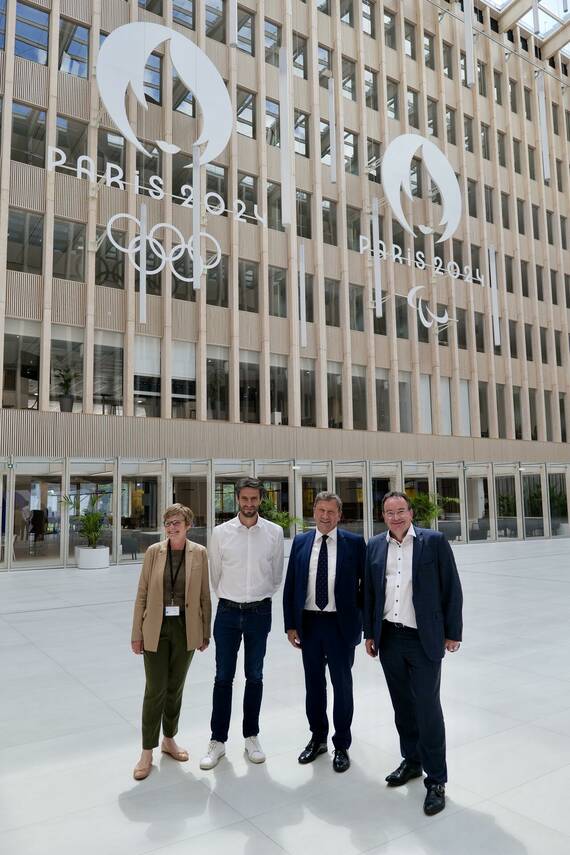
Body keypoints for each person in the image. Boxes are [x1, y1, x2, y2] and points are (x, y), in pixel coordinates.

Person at [364, 491, 463, 816]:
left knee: (428, 708)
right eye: (389, 512)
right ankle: (412, 760)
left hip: (424, 639)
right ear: (383, 516)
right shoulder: (376, 545)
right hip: (389, 637)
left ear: (411, 513)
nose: (396, 517)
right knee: (402, 705)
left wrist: (452, 632)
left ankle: (436, 779)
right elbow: (369, 593)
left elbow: (451, 587)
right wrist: (370, 633)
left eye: (401, 511)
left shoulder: (432, 542)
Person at [200, 477, 284, 770]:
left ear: (262, 499)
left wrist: (256, 596)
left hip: (259, 612)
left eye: (254, 499)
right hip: (226, 613)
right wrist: (234, 597)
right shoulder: (221, 533)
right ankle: (218, 741)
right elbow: (215, 575)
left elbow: (275, 577)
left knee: (255, 675)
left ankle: (251, 736)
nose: (249, 504)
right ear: (237, 499)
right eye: (244, 499)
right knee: (223, 677)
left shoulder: (274, 533)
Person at [283, 492, 365, 773]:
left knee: (342, 686)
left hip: (340, 626)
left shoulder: (354, 543)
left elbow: (367, 589)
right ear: (313, 511)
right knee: (314, 684)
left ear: (340, 515)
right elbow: (291, 584)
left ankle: (341, 744)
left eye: (331, 511)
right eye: (321, 510)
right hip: (310, 624)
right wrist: (290, 624)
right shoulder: (301, 541)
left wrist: (362, 625)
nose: (325, 516)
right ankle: (318, 739)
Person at [131, 503, 211, 781]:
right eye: (168, 523)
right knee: (155, 689)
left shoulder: (199, 553)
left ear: (188, 526)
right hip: (156, 626)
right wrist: (136, 633)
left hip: (185, 628)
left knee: (175, 688)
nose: (172, 527)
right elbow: (141, 593)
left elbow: (204, 597)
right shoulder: (154, 552)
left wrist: (205, 632)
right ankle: (146, 751)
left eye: (177, 523)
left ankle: (169, 739)